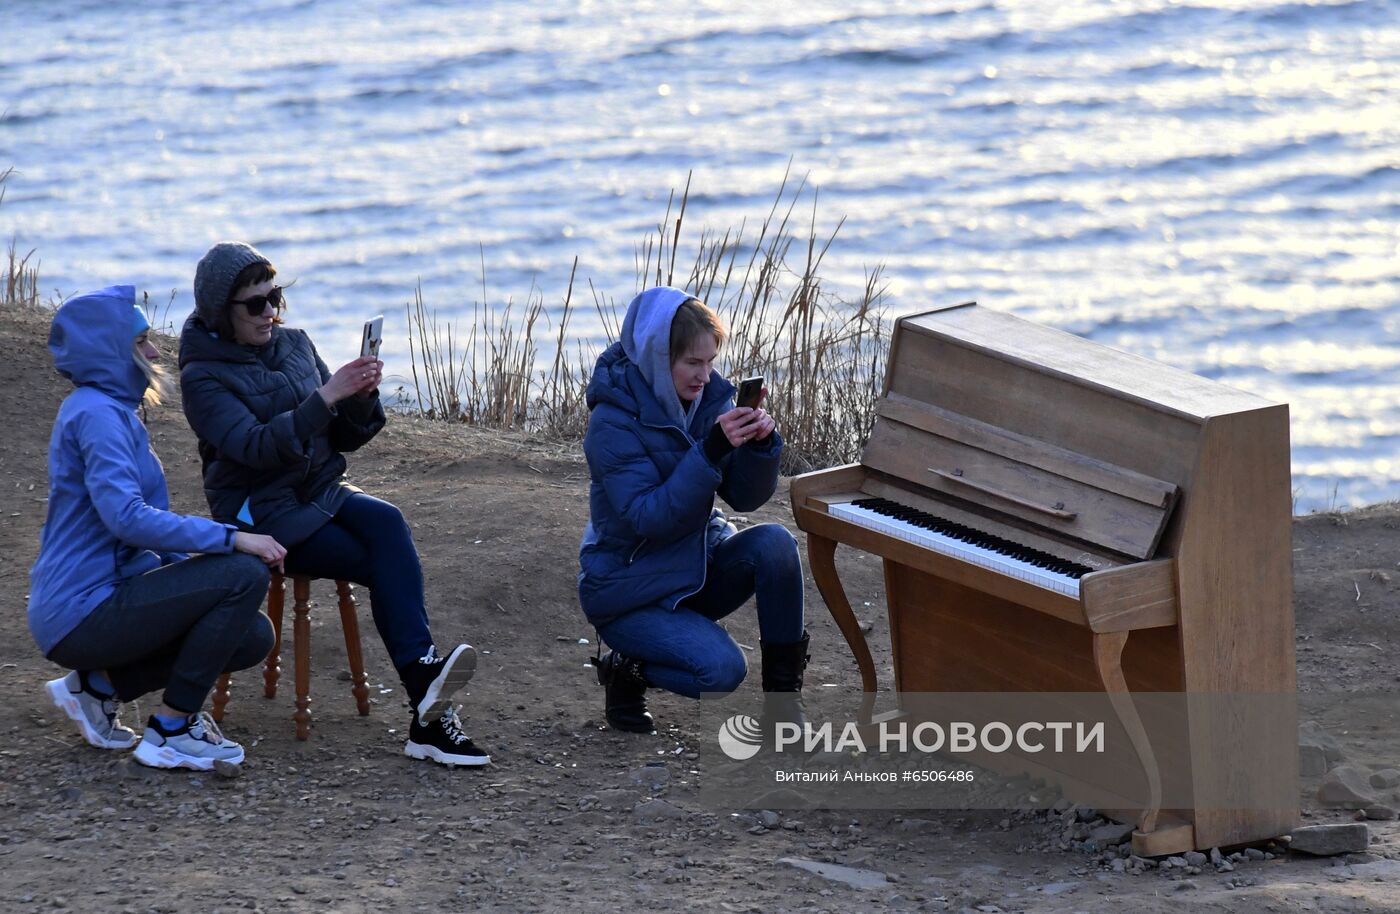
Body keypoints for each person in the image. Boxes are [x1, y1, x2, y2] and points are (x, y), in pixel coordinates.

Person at [177, 241, 489, 767]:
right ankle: (428, 705)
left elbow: (341, 438)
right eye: (255, 304)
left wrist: (361, 396)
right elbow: (254, 446)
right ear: (219, 311)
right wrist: (323, 398)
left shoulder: (295, 344)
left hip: (319, 490)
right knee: (377, 560)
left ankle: (427, 696)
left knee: (386, 520)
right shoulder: (202, 376)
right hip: (261, 514)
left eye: (274, 297)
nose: (271, 312)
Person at [30, 285, 285, 771]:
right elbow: (126, 518)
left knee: (250, 635)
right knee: (243, 574)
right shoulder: (97, 415)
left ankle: (96, 689)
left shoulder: (111, 411)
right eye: (141, 341)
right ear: (110, 349)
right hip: (81, 611)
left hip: (103, 599)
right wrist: (231, 538)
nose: (155, 350)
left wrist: (194, 576)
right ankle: (171, 729)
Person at [577, 286, 809, 733]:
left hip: (694, 569)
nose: (704, 377)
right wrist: (709, 452)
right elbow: (650, 517)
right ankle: (627, 669)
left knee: (776, 544)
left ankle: (785, 715)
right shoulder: (611, 423)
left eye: (711, 362)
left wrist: (761, 448)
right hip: (628, 592)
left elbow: (744, 498)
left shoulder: (707, 402)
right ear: (657, 358)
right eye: (692, 363)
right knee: (721, 672)